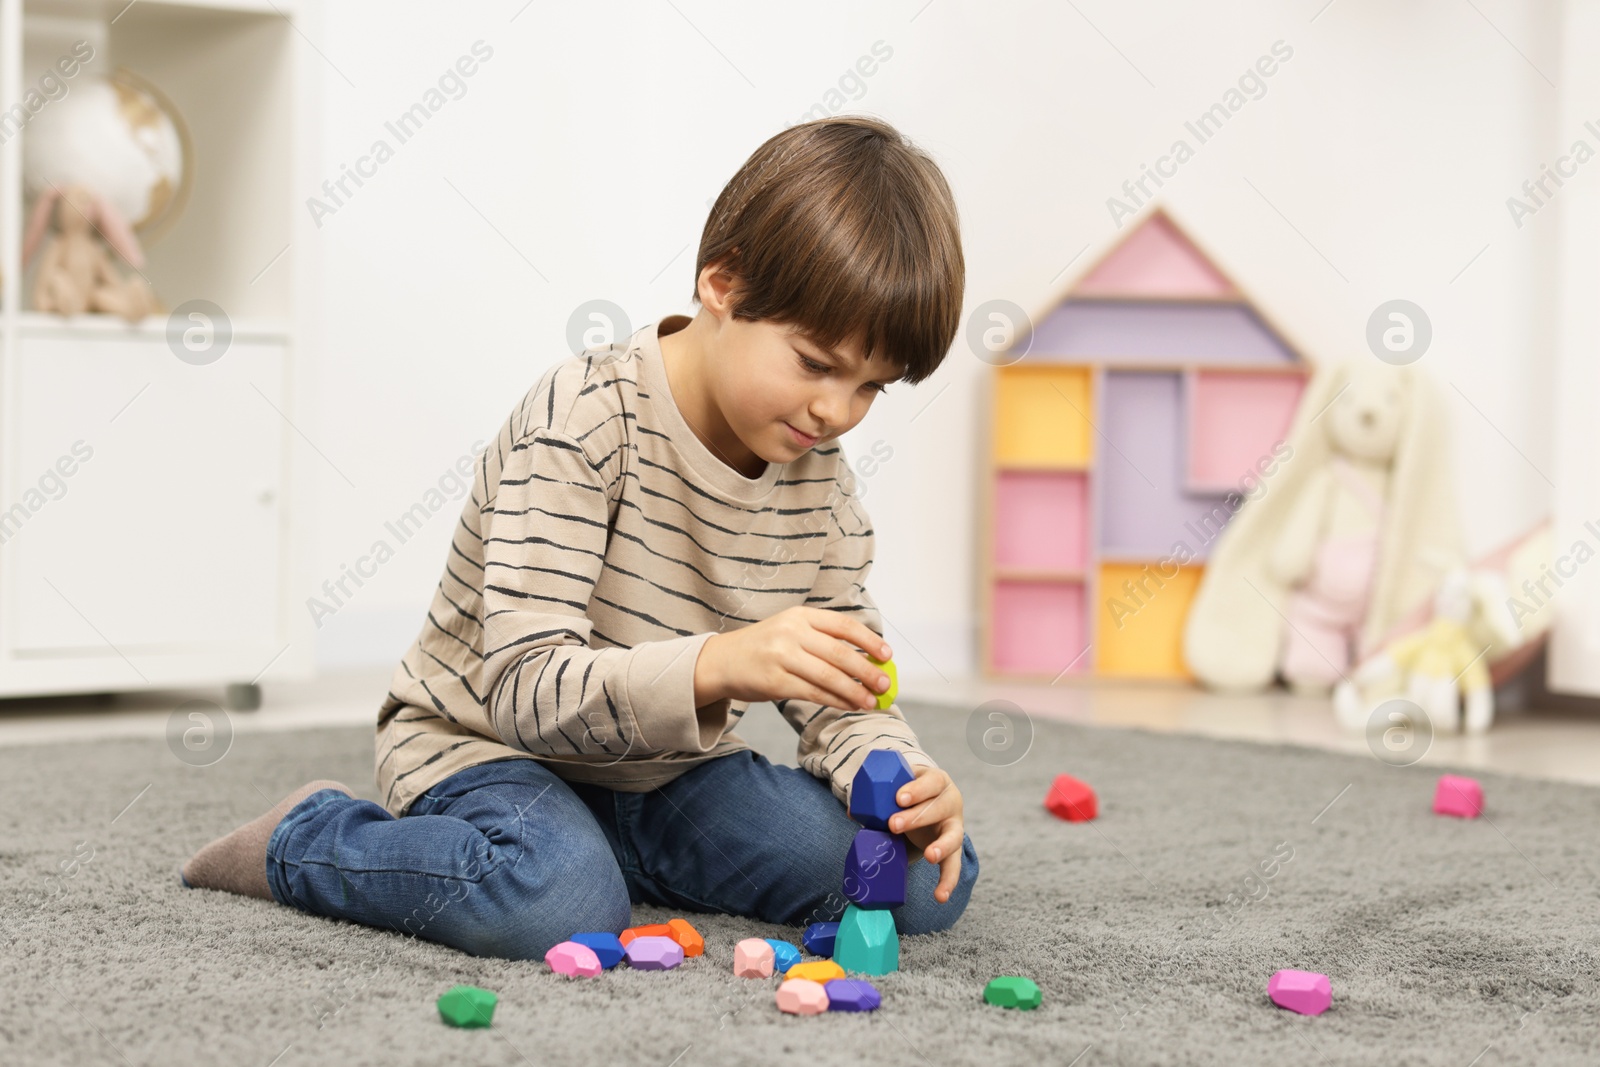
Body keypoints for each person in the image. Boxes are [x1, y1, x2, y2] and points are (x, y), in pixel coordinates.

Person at [180, 115, 979, 961]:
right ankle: (307, 838)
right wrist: (722, 662)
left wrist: (899, 777)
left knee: (921, 880)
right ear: (723, 284)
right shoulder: (584, 422)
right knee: (555, 899)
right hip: (485, 745)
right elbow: (525, 689)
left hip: (663, 773)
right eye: (815, 363)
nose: (835, 411)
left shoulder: (826, 490)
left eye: (872, 388)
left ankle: (611, 855)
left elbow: (844, 692)